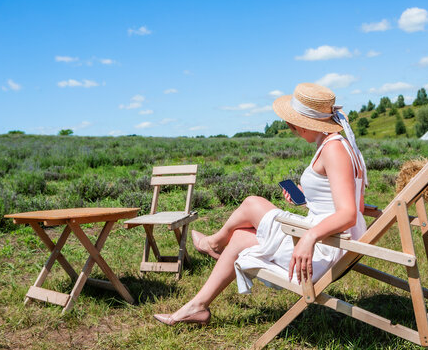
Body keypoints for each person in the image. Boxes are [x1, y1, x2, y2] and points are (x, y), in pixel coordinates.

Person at [153, 83, 368, 325]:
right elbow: (349, 203)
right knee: (240, 237)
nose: (292, 129)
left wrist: (309, 238)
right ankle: (198, 306)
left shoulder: (334, 149)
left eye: (293, 124)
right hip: (331, 237)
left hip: (325, 247)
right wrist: (307, 199)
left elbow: (350, 213)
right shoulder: (340, 144)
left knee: (252, 203)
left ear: (304, 123)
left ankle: (212, 243)